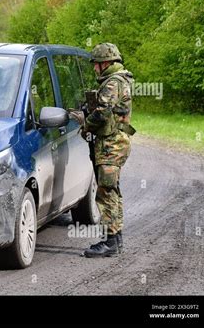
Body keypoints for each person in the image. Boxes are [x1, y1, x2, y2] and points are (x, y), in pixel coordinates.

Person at [81, 43, 136, 258]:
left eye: (96, 64)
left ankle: (111, 242)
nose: (95, 69)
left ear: (106, 63)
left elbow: (102, 114)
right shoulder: (119, 80)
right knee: (111, 190)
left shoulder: (113, 83)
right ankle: (115, 238)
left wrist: (85, 123)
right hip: (114, 143)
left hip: (111, 145)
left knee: (105, 192)